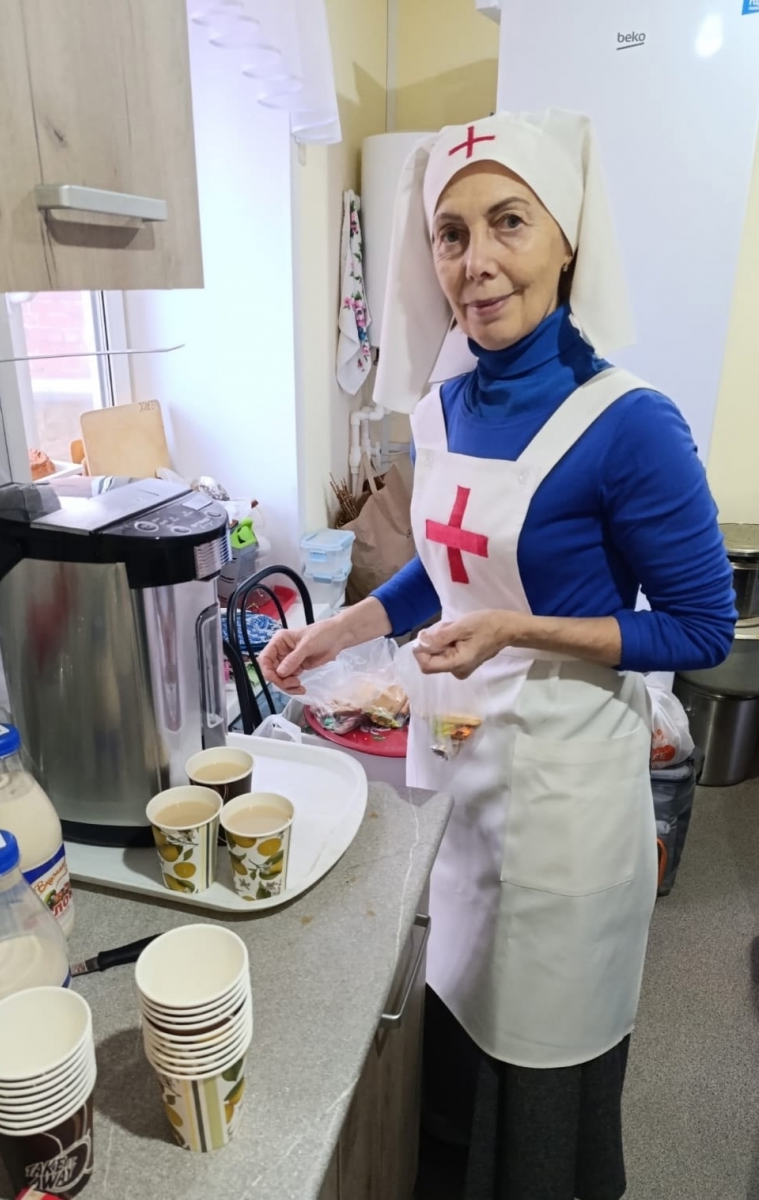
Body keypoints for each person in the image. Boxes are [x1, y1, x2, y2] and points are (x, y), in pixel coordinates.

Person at [260, 109, 736, 1199]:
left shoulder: (630, 423)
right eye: (452, 233)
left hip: (565, 798)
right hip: (461, 777)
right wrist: (337, 630)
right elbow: (449, 565)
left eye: (508, 223)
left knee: (541, 1056)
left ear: (565, 239)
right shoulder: (441, 410)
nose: (475, 262)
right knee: (454, 1012)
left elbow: (701, 628)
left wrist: (519, 630)